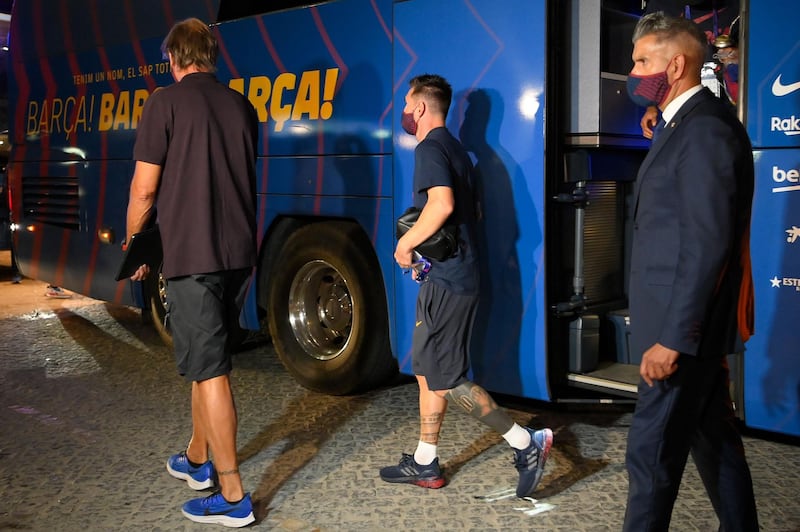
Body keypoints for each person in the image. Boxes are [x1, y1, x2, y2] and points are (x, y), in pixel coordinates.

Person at [379, 74, 553, 498]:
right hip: (449, 275)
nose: (404, 111)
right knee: (425, 370)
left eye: (406, 103)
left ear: (419, 107)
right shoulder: (459, 151)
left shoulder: (431, 147)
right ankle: (425, 462)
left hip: (449, 283)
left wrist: (404, 245)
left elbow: (443, 204)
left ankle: (525, 443)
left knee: (446, 379)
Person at [623, 12, 758, 531]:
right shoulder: (689, 121)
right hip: (690, 329)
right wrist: (664, 120)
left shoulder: (703, 130)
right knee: (714, 442)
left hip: (681, 336)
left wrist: (674, 339)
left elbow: (706, 244)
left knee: (651, 458)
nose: (633, 72)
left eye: (641, 61)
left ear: (675, 64)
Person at [124, 18, 258, 528]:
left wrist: (136, 246)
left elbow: (143, 190)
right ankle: (198, 457)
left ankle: (231, 494)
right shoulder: (241, 105)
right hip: (238, 253)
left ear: (175, 58)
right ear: (211, 57)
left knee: (210, 370)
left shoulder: (164, 102)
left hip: (192, 255)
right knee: (209, 359)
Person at [639, 0, 740, 138]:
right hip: (679, 110)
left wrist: (736, 56)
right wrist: (650, 106)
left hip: (730, 110)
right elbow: (649, 57)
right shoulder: (661, 6)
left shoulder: (739, 5)